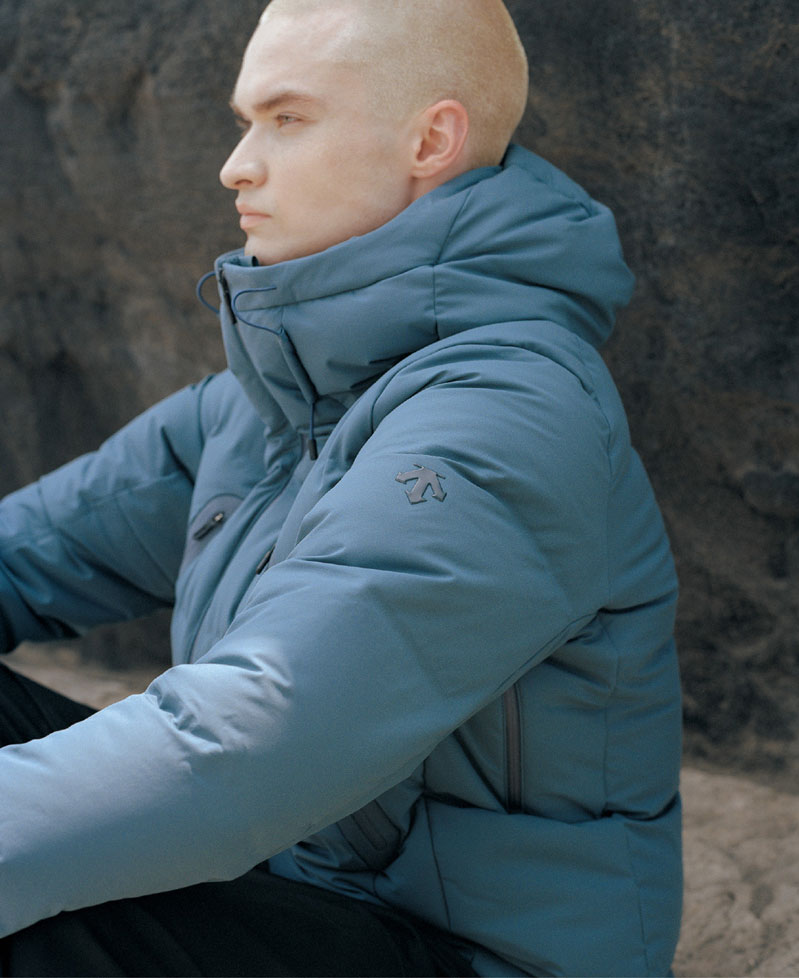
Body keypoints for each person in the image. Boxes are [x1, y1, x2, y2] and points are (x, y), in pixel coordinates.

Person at [0, 0, 683, 975]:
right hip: (290, 883)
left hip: (460, 953)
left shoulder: (511, 416)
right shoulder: (270, 405)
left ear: (429, 141)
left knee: (39, 920)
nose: (236, 165)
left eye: (286, 119)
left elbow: (253, 747)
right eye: (246, 121)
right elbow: (29, 552)